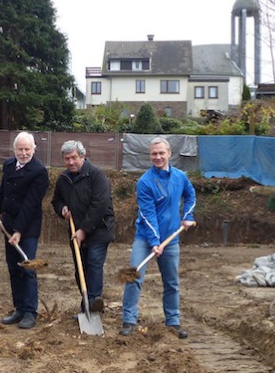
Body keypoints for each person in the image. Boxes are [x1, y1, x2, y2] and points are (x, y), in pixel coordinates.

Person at [119, 136, 196, 338]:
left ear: (169, 153)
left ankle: (173, 321)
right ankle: (128, 320)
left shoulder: (181, 177)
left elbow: (191, 196)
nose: (158, 157)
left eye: (161, 153)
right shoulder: (145, 182)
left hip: (171, 240)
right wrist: (154, 243)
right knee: (134, 276)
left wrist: (187, 216)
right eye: (154, 153)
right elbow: (147, 214)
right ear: (150, 156)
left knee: (172, 282)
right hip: (145, 239)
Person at [0, 132, 49, 329]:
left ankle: (31, 311)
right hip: (9, 223)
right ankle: (20, 309)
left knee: (27, 268)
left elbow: (31, 204)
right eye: (20, 149)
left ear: (34, 149)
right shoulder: (8, 165)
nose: (23, 153)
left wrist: (19, 231)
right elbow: (3, 192)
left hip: (28, 227)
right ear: (14, 150)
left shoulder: (39, 171)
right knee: (13, 267)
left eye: (27, 149)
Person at [51, 140, 115, 315]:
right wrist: (62, 208)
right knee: (81, 270)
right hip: (76, 231)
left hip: (99, 230)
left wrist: (84, 230)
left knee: (94, 265)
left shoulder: (96, 176)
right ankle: (87, 303)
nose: (71, 162)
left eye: (74, 158)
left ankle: (93, 305)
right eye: (67, 159)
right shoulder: (63, 179)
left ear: (83, 156)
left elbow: (100, 205)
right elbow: (56, 200)